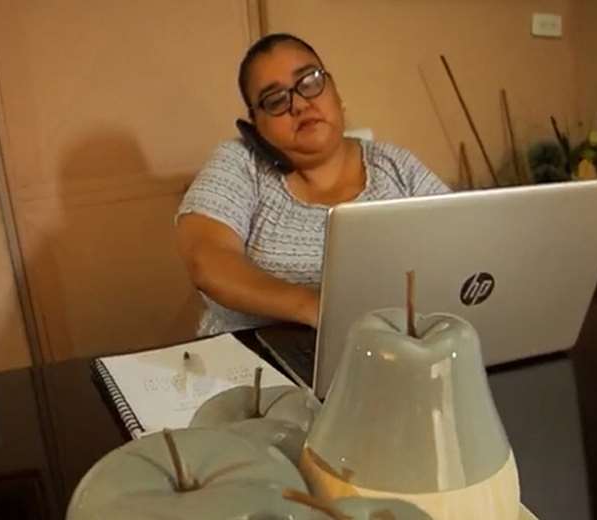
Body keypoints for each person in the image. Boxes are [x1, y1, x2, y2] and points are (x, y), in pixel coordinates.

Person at [176, 33, 450, 336]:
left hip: (383, 345)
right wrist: (318, 309)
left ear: (335, 92)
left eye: (309, 82)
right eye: (275, 100)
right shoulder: (240, 162)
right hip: (253, 353)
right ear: (256, 126)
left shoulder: (395, 165)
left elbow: (462, 247)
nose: (299, 104)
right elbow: (208, 260)